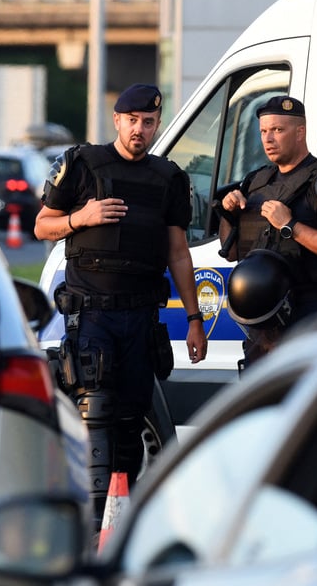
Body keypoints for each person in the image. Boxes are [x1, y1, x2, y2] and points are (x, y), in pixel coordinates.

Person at [34, 83, 207, 520]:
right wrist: (81, 218)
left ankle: (118, 520)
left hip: (141, 318)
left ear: (157, 125)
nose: (140, 130)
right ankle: (91, 525)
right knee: (96, 417)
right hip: (93, 316)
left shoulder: (168, 178)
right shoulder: (81, 164)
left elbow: (178, 253)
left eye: (148, 123)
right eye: (132, 121)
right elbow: (41, 226)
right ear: (117, 121)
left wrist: (194, 319)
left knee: (131, 425)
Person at [218, 95, 317, 370]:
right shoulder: (256, 182)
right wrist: (229, 215)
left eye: (278, 130)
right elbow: (231, 252)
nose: (268, 139)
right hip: (263, 325)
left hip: (311, 316)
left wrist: (290, 226)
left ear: (300, 132)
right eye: (263, 131)